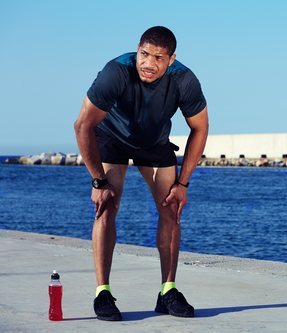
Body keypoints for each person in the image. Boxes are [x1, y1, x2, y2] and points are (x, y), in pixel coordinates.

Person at [74, 26, 208, 321]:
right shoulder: (117, 72)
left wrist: (183, 182)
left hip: (154, 141)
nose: (148, 63)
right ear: (137, 49)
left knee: (171, 206)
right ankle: (103, 292)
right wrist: (98, 181)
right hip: (112, 138)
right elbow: (82, 125)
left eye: (158, 57)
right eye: (144, 54)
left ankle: (168, 291)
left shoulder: (184, 80)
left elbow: (200, 127)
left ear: (171, 59)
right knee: (106, 206)